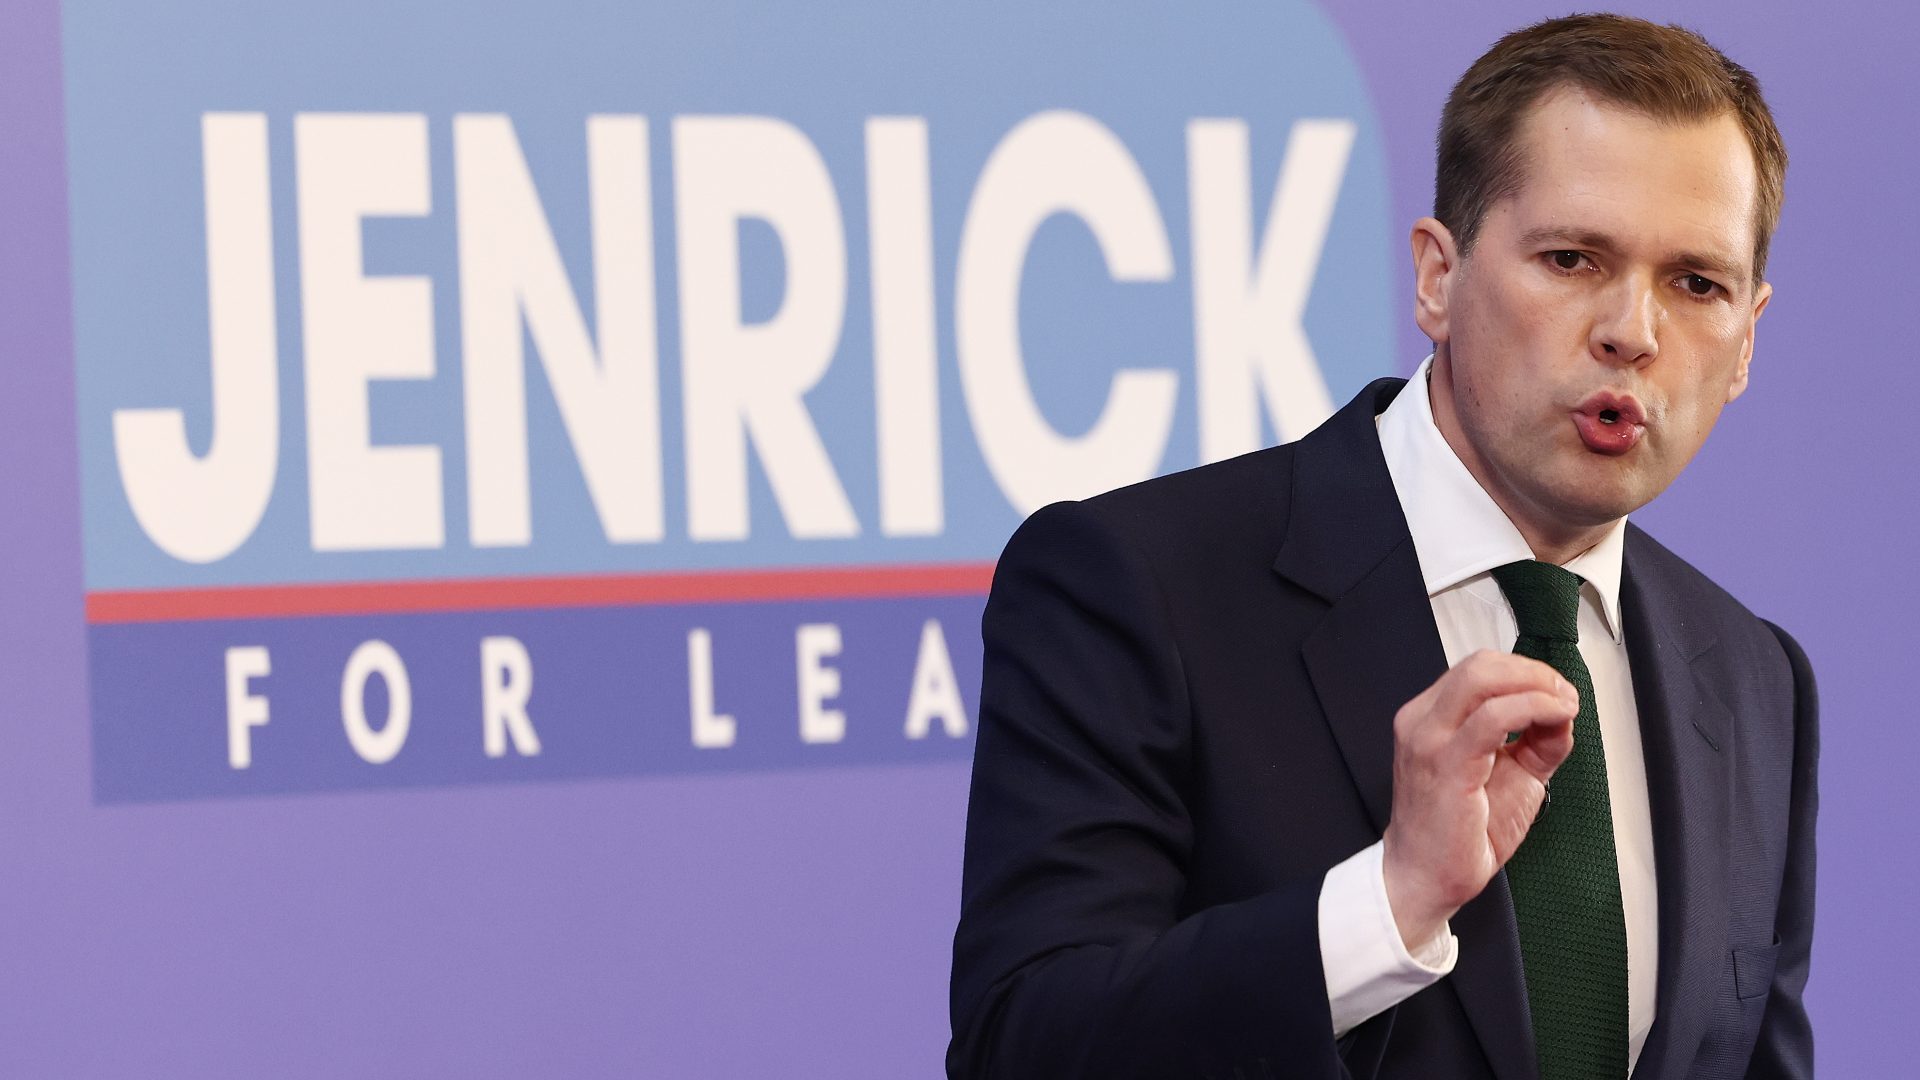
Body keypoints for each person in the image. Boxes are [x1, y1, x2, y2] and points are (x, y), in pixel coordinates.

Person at [947, 14, 1815, 1080]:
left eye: (1697, 284)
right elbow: (1023, 1044)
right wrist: (1388, 902)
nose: (1632, 330)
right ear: (1437, 279)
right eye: (1572, 258)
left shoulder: (1751, 677)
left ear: (1747, 340)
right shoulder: (1135, 584)